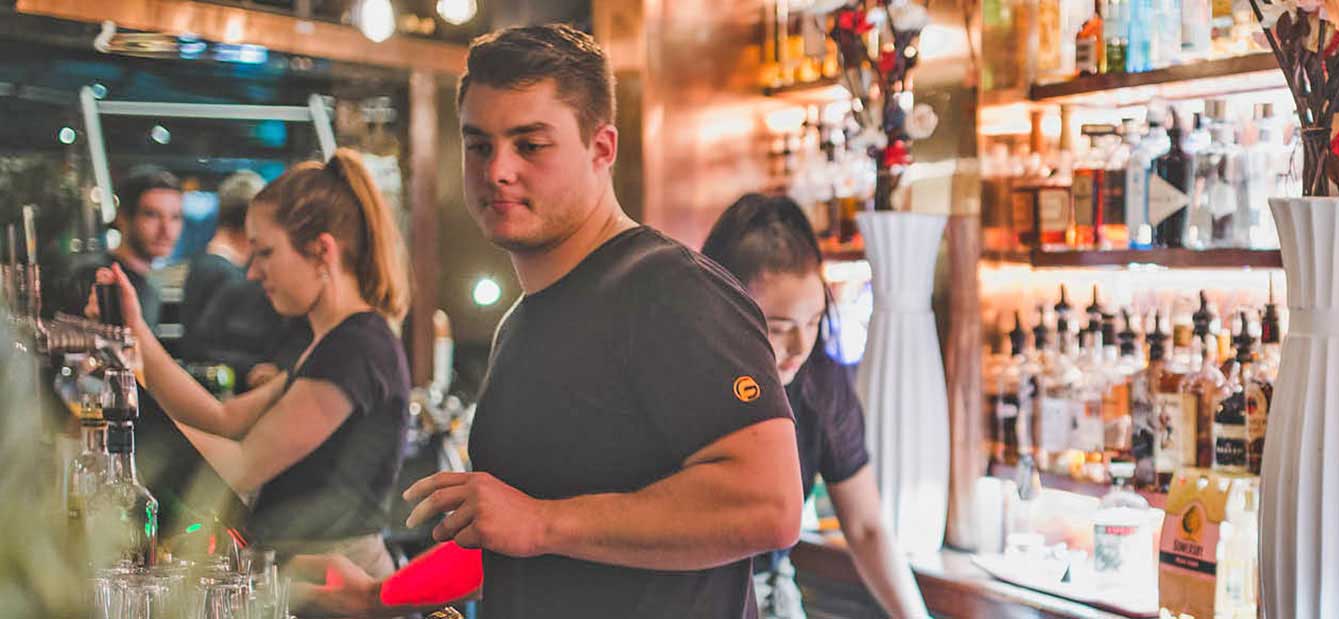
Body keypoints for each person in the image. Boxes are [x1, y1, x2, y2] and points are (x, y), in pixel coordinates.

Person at [291, 24, 804, 619]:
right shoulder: (522, 321)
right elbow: (508, 536)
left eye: (529, 144)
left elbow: (769, 504)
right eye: (478, 144)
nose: (497, 170)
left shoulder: (670, 288)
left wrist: (542, 522)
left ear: (601, 148)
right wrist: (380, 596)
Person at [96, 149, 412, 577]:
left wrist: (125, 422)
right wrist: (136, 333)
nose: (252, 272)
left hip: (340, 580)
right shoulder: (334, 341)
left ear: (321, 253)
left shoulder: (357, 348)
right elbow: (222, 418)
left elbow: (242, 465)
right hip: (311, 570)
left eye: (265, 253)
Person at [700, 194, 928, 619]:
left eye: (813, 322)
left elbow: (866, 527)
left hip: (770, 593)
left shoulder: (820, 381)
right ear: (722, 314)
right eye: (780, 327)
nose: (802, 347)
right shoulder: (676, 387)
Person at [179, 170, 309, 389]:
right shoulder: (233, 278)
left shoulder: (205, 265)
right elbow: (201, 349)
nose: (255, 271)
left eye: (267, 252)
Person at [109, 166, 184, 328]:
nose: (166, 230)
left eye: (175, 217)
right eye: (152, 215)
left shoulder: (144, 285)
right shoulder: (103, 279)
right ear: (122, 218)